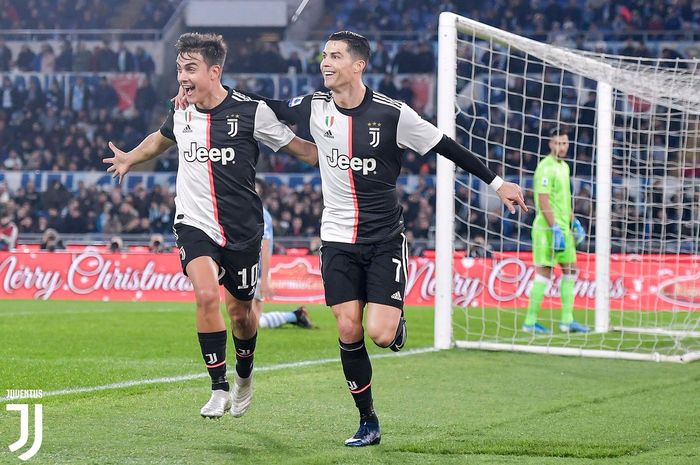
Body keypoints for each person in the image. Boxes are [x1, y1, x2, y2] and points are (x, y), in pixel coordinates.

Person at [176, 31, 526, 446]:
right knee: (347, 327)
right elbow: (263, 107)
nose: (326, 62)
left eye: (336, 56)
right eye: (324, 55)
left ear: (358, 65)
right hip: (337, 239)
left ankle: (394, 322)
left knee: (380, 333)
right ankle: (367, 420)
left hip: (383, 239)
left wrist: (498, 182)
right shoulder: (315, 106)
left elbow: (444, 145)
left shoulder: (393, 114)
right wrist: (200, 94)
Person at [105, 32, 318, 420]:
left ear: (214, 71)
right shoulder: (182, 111)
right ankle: (218, 387)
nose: (182, 76)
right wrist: (129, 159)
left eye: (190, 68)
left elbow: (300, 149)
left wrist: (345, 151)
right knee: (205, 296)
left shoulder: (251, 112)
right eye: (179, 68)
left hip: (242, 229)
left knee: (241, 314)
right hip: (194, 222)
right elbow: (160, 139)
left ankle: (244, 376)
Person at [524, 126, 589, 334]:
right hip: (547, 229)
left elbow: (564, 200)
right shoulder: (545, 167)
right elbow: (543, 199)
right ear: (550, 144)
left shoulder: (564, 167)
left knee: (570, 270)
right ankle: (530, 322)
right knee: (545, 271)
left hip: (563, 228)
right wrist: (554, 228)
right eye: (558, 143)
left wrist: (574, 222)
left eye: (565, 143)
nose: (562, 147)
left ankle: (567, 320)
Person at [253, 178, 314, 330]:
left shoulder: (261, 213)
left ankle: (295, 316)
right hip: (244, 267)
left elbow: (265, 247)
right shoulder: (244, 212)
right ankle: (296, 316)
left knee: (253, 322)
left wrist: (264, 278)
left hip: (257, 270)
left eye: (256, 189)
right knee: (243, 317)